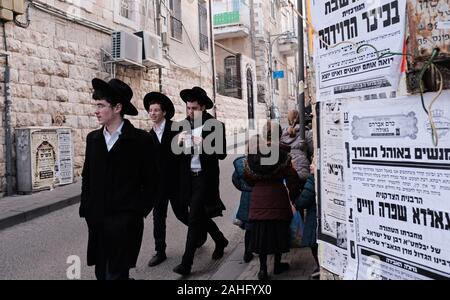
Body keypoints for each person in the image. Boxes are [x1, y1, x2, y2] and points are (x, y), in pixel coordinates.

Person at [79, 78, 156, 280]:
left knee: (116, 274)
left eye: (101, 105)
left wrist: (136, 211)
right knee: (100, 273)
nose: (96, 110)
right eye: (96, 105)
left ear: (117, 107)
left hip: (125, 222)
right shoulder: (93, 139)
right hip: (97, 220)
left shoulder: (141, 140)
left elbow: (152, 182)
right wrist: (87, 208)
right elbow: (87, 176)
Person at [144, 92, 208, 267]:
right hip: (158, 185)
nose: (153, 113)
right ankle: (160, 250)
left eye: (156, 110)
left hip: (175, 182)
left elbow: (186, 153)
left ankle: (200, 232)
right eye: (150, 110)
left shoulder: (176, 128)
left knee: (181, 213)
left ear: (164, 112)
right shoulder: (149, 136)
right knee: (158, 217)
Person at [172, 86, 229, 276]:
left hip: (205, 178)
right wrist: (179, 143)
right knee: (198, 215)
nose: (190, 112)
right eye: (188, 108)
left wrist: (201, 142)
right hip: (188, 179)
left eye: (194, 108)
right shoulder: (182, 125)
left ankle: (186, 264)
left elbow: (221, 154)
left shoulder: (215, 125)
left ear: (203, 107)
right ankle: (220, 239)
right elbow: (177, 154)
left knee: (195, 217)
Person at [244, 122, 302, 280]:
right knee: (278, 232)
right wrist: (294, 195)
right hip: (277, 197)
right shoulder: (282, 154)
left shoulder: (254, 155)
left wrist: (257, 184)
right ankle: (277, 265)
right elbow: (292, 178)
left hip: (259, 198)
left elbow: (247, 178)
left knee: (261, 234)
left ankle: (262, 270)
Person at [231, 137, 256, 263]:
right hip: (259, 196)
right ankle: (256, 249)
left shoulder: (242, 163)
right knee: (260, 226)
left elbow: (235, 179)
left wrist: (244, 188)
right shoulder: (262, 161)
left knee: (249, 228)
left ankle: (247, 252)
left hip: (247, 196)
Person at [294, 158, 320, 280]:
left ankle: (320, 267)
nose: (310, 166)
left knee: (314, 244)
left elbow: (304, 200)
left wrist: (296, 204)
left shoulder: (312, 179)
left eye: (313, 163)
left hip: (314, 218)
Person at [281, 110, 313, 181]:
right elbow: (312, 151)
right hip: (302, 167)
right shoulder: (307, 133)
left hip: (286, 167)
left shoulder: (282, 134)